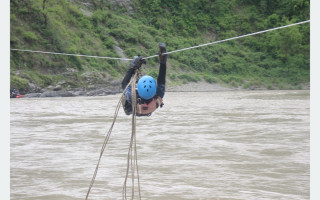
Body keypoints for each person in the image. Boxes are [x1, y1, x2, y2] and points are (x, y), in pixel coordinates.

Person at [121, 42, 168, 116]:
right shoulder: (158, 98)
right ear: (154, 89)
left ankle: (127, 111)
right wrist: (163, 61)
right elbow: (161, 79)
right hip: (148, 110)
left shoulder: (131, 97)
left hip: (133, 110)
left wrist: (132, 67)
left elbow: (124, 84)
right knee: (129, 90)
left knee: (126, 94)